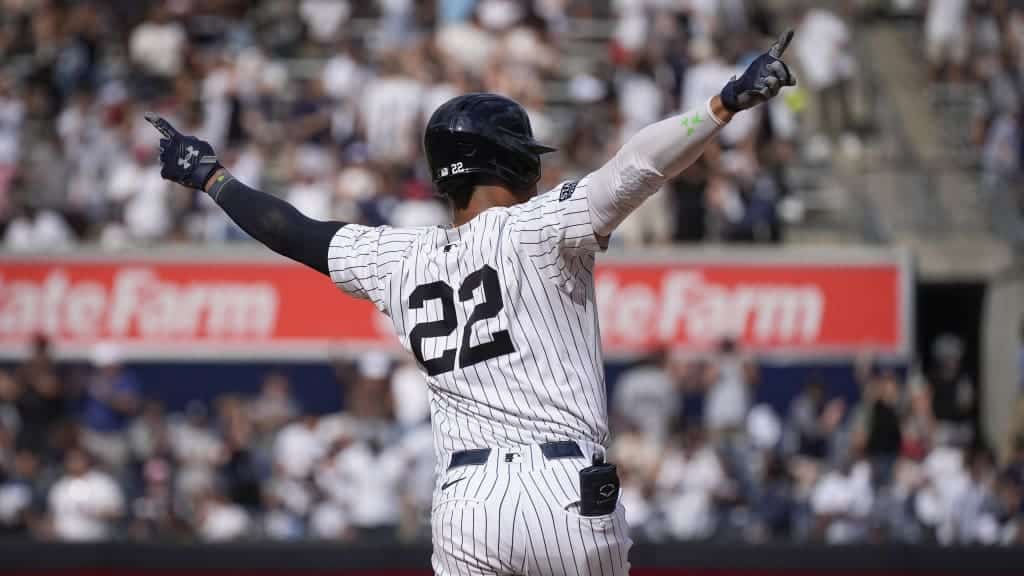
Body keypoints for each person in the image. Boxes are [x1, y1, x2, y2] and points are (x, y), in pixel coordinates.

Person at [145, 32, 795, 575]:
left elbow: (293, 231)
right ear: (509, 161)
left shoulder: (395, 259)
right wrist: (722, 104)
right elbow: (635, 169)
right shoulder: (540, 226)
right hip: (562, 488)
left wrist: (212, 177)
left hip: (465, 505)